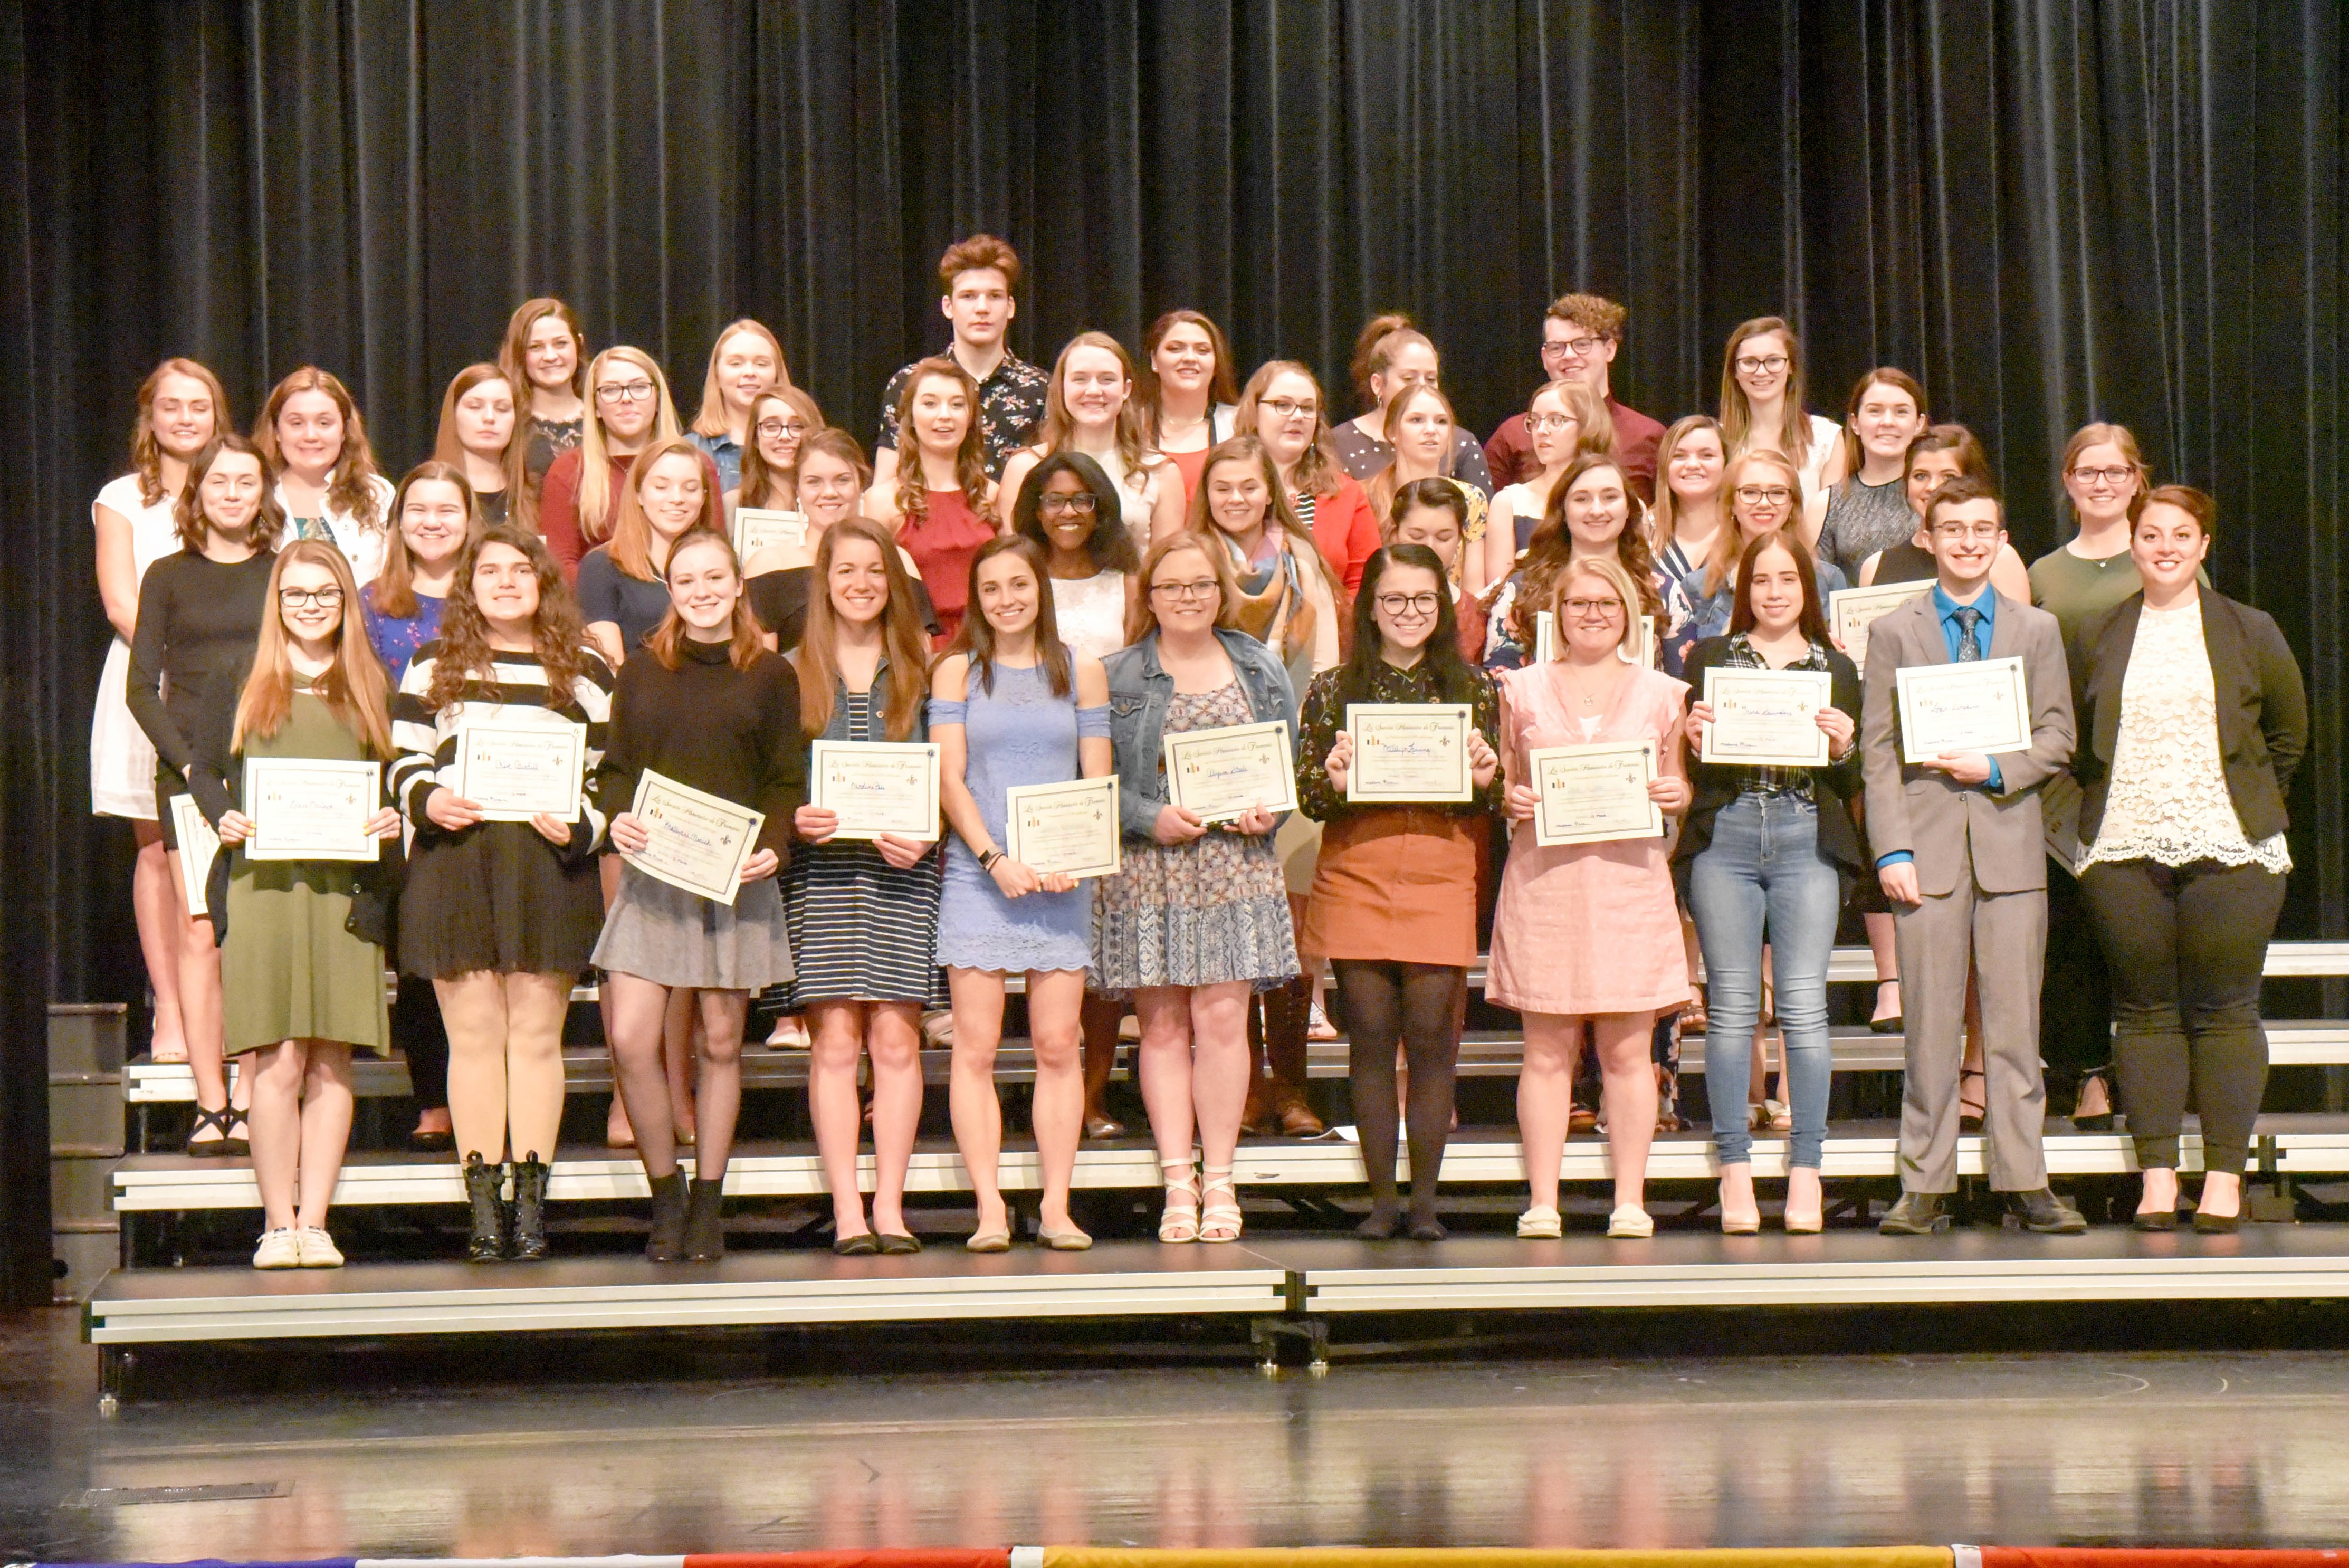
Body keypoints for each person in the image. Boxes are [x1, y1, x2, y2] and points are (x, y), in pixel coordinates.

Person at [2070, 487, 2305, 1232]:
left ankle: (2225, 1180)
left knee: (2226, 1010)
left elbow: (2288, 737)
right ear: (2132, 545)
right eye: (2150, 534)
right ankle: (2157, 1178)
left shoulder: (2251, 628)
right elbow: (2081, 738)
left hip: (2231, 843)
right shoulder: (2105, 630)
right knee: (2142, 1013)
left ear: (2204, 545)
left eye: (2181, 535)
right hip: (2124, 845)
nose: (2165, 546)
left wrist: (2241, 802)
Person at [1863, 476, 2084, 1236]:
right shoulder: (1896, 630)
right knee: (1928, 1026)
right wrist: (1891, 847)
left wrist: (1993, 767)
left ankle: (2024, 1179)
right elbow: (1879, 753)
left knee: (2016, 1027)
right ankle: (1925, 1184)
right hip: (1924, 855)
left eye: (1981, 529)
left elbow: (2059, 737)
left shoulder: (2035, 629)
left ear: (2000, 538)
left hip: (2012, 851)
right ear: (1927, 537)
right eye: (1951, 529)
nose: (1967, 541)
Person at [391, 527, 612, 1263]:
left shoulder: (582, 669)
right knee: (477, 1037)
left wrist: (582, 824)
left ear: (545, 583)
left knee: (536, 1038)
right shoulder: (432, 665)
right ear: (469, 584)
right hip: (460, 858)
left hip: (547, 865)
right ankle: (484, 1213)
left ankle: (531, 1210)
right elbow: (400, 760)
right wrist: (428, 800)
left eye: (523, 570)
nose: (508, 583)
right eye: (491, 571)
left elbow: (610, 778)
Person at [594, 531, 803, 1262]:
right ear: (670, 588)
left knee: (720, 1041)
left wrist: (776, 842)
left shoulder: (771, 673)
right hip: (657, 876)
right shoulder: (643, 671)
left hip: (734, 879)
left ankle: (707, 1203)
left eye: (717, 576)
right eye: (688, 579)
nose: (704, 589)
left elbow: (784, 776)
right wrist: (619, 815)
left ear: (739, 584)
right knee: (629, 1037)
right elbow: (618, 769)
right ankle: (666, 1195)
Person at [1096, 534, 1298, 1242]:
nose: (1188, 598)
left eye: (1202, 585)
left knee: (1222, 1023)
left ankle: (1221, 1180)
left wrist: (1270, 807)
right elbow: (1093, 785)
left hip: (1236, 867)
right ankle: (1176, 1181)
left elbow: (1288, 769)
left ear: (1222, 591)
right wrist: (1151, 816)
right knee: (1162, 1027)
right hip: (1151, 869)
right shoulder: (1116, 676)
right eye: (1173, 586)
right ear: (1148, 597)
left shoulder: (1258, 664)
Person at [1295, 544, 1501, 1239]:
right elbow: (1312, 798)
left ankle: (1425, 1207)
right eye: (1394, 600)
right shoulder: (1330, 689)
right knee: (1371, 1040)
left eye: (1423, 600)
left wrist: (1484, 777)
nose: (1409, 613)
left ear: (1442, 607)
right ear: (1371, 607)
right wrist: (1334, 774)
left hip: (1441, 867)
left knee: (1433, 1041)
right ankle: (1383, 1204)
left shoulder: (1472, 688)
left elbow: (1492, 797)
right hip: (1359, 864)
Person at [1491, 556, 1691, 1239]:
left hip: (1628, 886)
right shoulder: (1518, 688)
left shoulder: (1665, 692)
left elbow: (1677, 784)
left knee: (1629, 1052)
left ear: (1630, 613)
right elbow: (1508, 785)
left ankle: (1629, 1199)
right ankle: (1543, 1200)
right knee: (1545, 1051)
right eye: (1579, 603)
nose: (1593, 614)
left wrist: (1677, 794)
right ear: (1558, 612)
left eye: (1607, 603)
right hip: (1545, 886)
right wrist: (1510, 797)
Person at [215, 540, 403, 1268]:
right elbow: (201, 769)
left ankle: (316, 1222)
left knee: (331, 1059)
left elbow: (391, 781)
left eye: (325, 593)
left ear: (346, 600)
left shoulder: (370, 684)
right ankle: (277, 1221)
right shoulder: (246, 677)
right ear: (277, 601)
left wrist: (390, 819)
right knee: (278, 1056)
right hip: (265, 887)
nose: (311, 606)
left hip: (343, 889)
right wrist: (223, 816)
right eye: (297, 594)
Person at [1676, 530, 1864, 1234]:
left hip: (1803, 834)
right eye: (1762, 581)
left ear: (1807, 590)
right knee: (1730, 1010)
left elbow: (1852, 775)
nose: (1776, 592)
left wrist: (1845, 749)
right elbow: (1693, 771)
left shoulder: (1837, 666)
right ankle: (1736, 1174)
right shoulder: (1712, 658)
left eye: (1789, 580)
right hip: (1727, 836)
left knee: (1805, 1009)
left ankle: (1807, 1173)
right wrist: (1694, 742)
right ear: (1743, 590)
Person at [931, 537, 1112, 1251]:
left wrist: (1077, 856)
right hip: (982, 875)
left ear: (1041, 588)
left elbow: (1095, 779)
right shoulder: (956, 673)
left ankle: (1058, 1207)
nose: (1007, 599)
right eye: (991, 588)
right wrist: (994, 856)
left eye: (1019, 584)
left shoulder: (1083, 670)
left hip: (1061, 881)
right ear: (976, 600)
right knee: (974, 1046)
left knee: (1056, 1044)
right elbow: (951, 780)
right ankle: (989, 1210)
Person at [786, 519, 942, 1254]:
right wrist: (794, 818)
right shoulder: (788, 672)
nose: (861, 584)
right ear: (824, 581)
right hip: (821, 878)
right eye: (846, 570)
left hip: (901, 875)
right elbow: (774, 784)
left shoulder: (921, 668)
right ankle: (848, 1211)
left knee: (896, 1042)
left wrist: (929, 830)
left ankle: (890, 1207)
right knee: (836, 1045)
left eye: (875, 572)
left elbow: (950, 778)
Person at [125, 433, 280, 1156]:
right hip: (190, 772)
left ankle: (254, 1095)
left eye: (246, 482)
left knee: (252, 930)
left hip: (269, 771)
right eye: (219, 481)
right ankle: (210, 1102)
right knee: (201, 931)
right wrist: (189, 766)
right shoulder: (166, 574)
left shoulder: (283, 573)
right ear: (200, 491)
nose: (231, 493)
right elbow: (140, 689)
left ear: (262, 493)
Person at [1192, 435, 1344, 1132]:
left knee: (1287, 935)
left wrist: (1311, 763)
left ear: (1269, 490)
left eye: (1248, 487)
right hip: (1211, 771)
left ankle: (1291, 1090)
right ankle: (1242, 1089)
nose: (1236, 499)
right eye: (1222, 487)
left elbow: (1328, 670)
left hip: (1288, 769)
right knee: (1227, 941)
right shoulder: (1190, 561)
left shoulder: (1301, 561)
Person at [2028, 423, 2170, 1130]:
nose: (2103, 483)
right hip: (2063, 780)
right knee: (2074, 935)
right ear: (2068, 480)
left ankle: (2147, 1077)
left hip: (2145, 773)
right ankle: (2086, 1074)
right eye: (2089, 471)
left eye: (2116, 472)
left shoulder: (2167, 558)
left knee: (2140, 936)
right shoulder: (2044, 573)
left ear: (2136, 479)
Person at [90, 359, 228, 1073]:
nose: (184, 419)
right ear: (150, 417)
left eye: (197, 406)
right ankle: (170, 1006)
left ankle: (222, 1005)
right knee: (157, 848)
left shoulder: (234, 484)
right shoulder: (122, 496)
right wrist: (179, 657)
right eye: (170, 407)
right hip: (149, 676)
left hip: (228, 684)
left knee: (222, 846)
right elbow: (120, 600)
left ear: (216, 414)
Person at [361, 462, 480, 1152]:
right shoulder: (373, 603)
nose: (433, 521)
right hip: (394, 791)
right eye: (419, 510)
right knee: (417, 952)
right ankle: (433, 1098)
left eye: (448, 510)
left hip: (480, 794)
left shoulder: (492, 596)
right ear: (398, 522)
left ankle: (482, 1087)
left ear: (471, 521)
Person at [1491, 454, 1692, 673]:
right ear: (1564, 512)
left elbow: (1682, 688)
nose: (1597, 510)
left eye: (1610, 497)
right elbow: (1501, 681)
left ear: (1628, 510)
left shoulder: (1664, 593)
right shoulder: (1522, 589)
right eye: (1582, 499)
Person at [873, 234, 1049, 484]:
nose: (982, 308)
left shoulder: (1042, 390)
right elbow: (886, 483)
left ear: (1010, 307)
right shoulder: (910, 384)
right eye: (968, 296)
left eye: (994, 296)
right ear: (948, 306)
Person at [998, 332, 1185, 554]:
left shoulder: (1161, 472)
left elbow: (1166, 571)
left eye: (1107, 379)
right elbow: (1016, 564)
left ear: (1126, 390)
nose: (1094, 391)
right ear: (1062, 388)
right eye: (1080, 379)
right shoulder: (1024, 468)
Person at [865, 357, 998, 647]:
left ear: (971, 418)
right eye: (930, 404)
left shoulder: (993, 497)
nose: (944, 415)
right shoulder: (882, 502)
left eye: (957, 405)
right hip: (915, 651)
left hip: (987, 650)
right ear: (910, 417)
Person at [1484, 293, 1667, 502]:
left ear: (1609, 350)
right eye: (1557, 347)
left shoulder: (1649, 436)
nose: (1569, 355)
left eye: (1582, 344)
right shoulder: (1513, 435)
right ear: (1545, 359)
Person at [538, 347, 698, 579]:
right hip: (597, 609)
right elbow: (560, 565)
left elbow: (714, 550)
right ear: (596, 407)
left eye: (639, 387)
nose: (626, 398)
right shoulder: (569, 471)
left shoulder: (694, 464)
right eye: (611, 390)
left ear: (658, 399)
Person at [578, 436, 725, 668]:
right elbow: (609, 668)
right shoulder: (601, 567)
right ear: (638, 494)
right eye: (661, 487)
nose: (677, 499)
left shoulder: (722, 564)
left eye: (690, 488)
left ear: (704, 497)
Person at [1237, 361, 1383, 596]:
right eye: (1283, 405)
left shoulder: (1346, 493)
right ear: (1254, 411)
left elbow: (1366, 584)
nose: (1297, 416)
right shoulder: (1223, 486)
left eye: (1307, 408)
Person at [1680, 451, 1847, 645]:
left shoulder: (1829, 580)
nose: (1764, 503)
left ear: (1793, 504)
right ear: (1731, 504)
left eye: (1777, 493)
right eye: (1750, 492)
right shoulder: (1697, 587)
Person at [255, 367, 393, 585]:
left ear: (344, 431)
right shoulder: (255, 496)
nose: (311, 435)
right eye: (297, 423)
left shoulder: (378, 494)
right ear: (277, 432)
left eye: (324, 423)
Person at [1858, 425, 2028, 599]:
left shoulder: (1998, 557)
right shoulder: (1875, 566)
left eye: (1948, 477)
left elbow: (2018, 624)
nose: (1932, 487)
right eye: (1921, 476)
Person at [1480, 378, 1613, 597]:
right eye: (1535, 421)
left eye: (1556, 420)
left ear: (1589, 425)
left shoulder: (1622, 504)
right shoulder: (1510, 503)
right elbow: (1500, 594)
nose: (1541, 431)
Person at [1329, 316, 1494, 491]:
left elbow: (1481, 513)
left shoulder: (1461, 444)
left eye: (1431, 379)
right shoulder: (1339, 443)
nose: (1422, 386)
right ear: (1378, 384)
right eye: (1408, 378)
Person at [1717, 317, 1844, 541]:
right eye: (1749, 362)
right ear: (1734, 372)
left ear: (1791, 367)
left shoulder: (1827, 438)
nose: (1762, 371)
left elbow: (1833, 523)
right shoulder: (1717, 440)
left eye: (1773, 361)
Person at [1009, 450, 1139, 662]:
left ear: (1100, 512)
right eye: (1054, 501)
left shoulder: (1128, 586)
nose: (1068, 512)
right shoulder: (1018, 582)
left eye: (1081, 500)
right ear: (1037, 511)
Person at [1361, 382, 1488, 591]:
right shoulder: (1365, 496)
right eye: (1416, 420)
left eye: (1441, 422)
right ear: (1392, 431)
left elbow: (1473, 593)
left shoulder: (1472, 499)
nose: (1431, 430)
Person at [1815, 370, 1928, 582]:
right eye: (1875, 411)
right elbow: (1819, 593)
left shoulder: (1936, 494)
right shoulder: (1827, 504)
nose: (1887, 422)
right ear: (1855, 423)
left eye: (1901, 412)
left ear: (1919, 424)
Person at [1135, 310, 1242, 499]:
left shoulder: (1241, 425)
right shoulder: (1130, 426)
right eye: (1176, 349)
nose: (1190, 358)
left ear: (1216, 363)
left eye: (1203, 351)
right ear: (1154, 361)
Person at [687, 318, 790, 493]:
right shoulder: (690, 451)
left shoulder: (803, 446)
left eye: (761, 364)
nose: (749, 372)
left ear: (777, 375)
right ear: (717, 376)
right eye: (736, 364)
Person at [1390, 479, 1487, 661]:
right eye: (1417, 536)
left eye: (1443, 538)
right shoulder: (1361, 607)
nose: (1429, 547)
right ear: (1395, 535)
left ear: (1459, 540)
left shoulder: (1477, 616)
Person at [497, 297, 589, 488]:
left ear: (578, 344)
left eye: (561, 344)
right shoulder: (507, 425)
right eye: (536, 347)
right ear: (520, 354)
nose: (550, 356)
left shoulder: (605, 418)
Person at [432, 364, 525, 528]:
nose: (489, 418)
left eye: (502, 409)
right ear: (453, 414)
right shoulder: (426, 488)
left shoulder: (534, 495)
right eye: (475, 407)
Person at [1650, 416, 1730, 601]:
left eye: (1707, 455)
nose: (1693, 465)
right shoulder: (1641, 532)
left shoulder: (1744, 529)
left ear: (1726, 463)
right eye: (1679, 456)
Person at [726, 386, 826, 518]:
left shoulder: (833, 500)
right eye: (771, 427)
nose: (784, 436)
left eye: (797, 426)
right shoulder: (732, 504)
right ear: (755, 437)